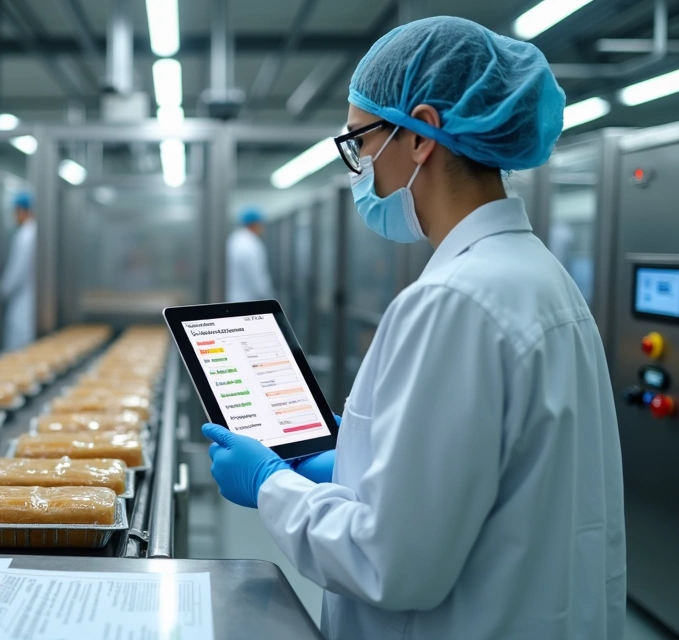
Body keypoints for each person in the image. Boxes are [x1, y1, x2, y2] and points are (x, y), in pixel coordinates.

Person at [202, 17, 625, 639]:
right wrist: (361, 456)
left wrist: (273, 485)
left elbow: (391, 563)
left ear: (421, 134)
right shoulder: (538, 276)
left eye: (360, 142)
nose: (360, 169)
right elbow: (471, 479)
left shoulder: (455, 301)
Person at [0, 192, 36, 350]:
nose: (14, 216)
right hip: (30, 300)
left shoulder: (25, 236)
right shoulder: (34, 233)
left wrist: (3, 290)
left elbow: (16, 272)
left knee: (19, 348)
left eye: (15, 212)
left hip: (23, 303)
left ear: (22, 210)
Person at [225, 207, 275, 302]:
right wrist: (269, 298)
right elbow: (257, 277)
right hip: (249, 301)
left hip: (233, 298)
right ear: (255, 224)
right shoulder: (251, 244)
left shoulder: (234, 239)